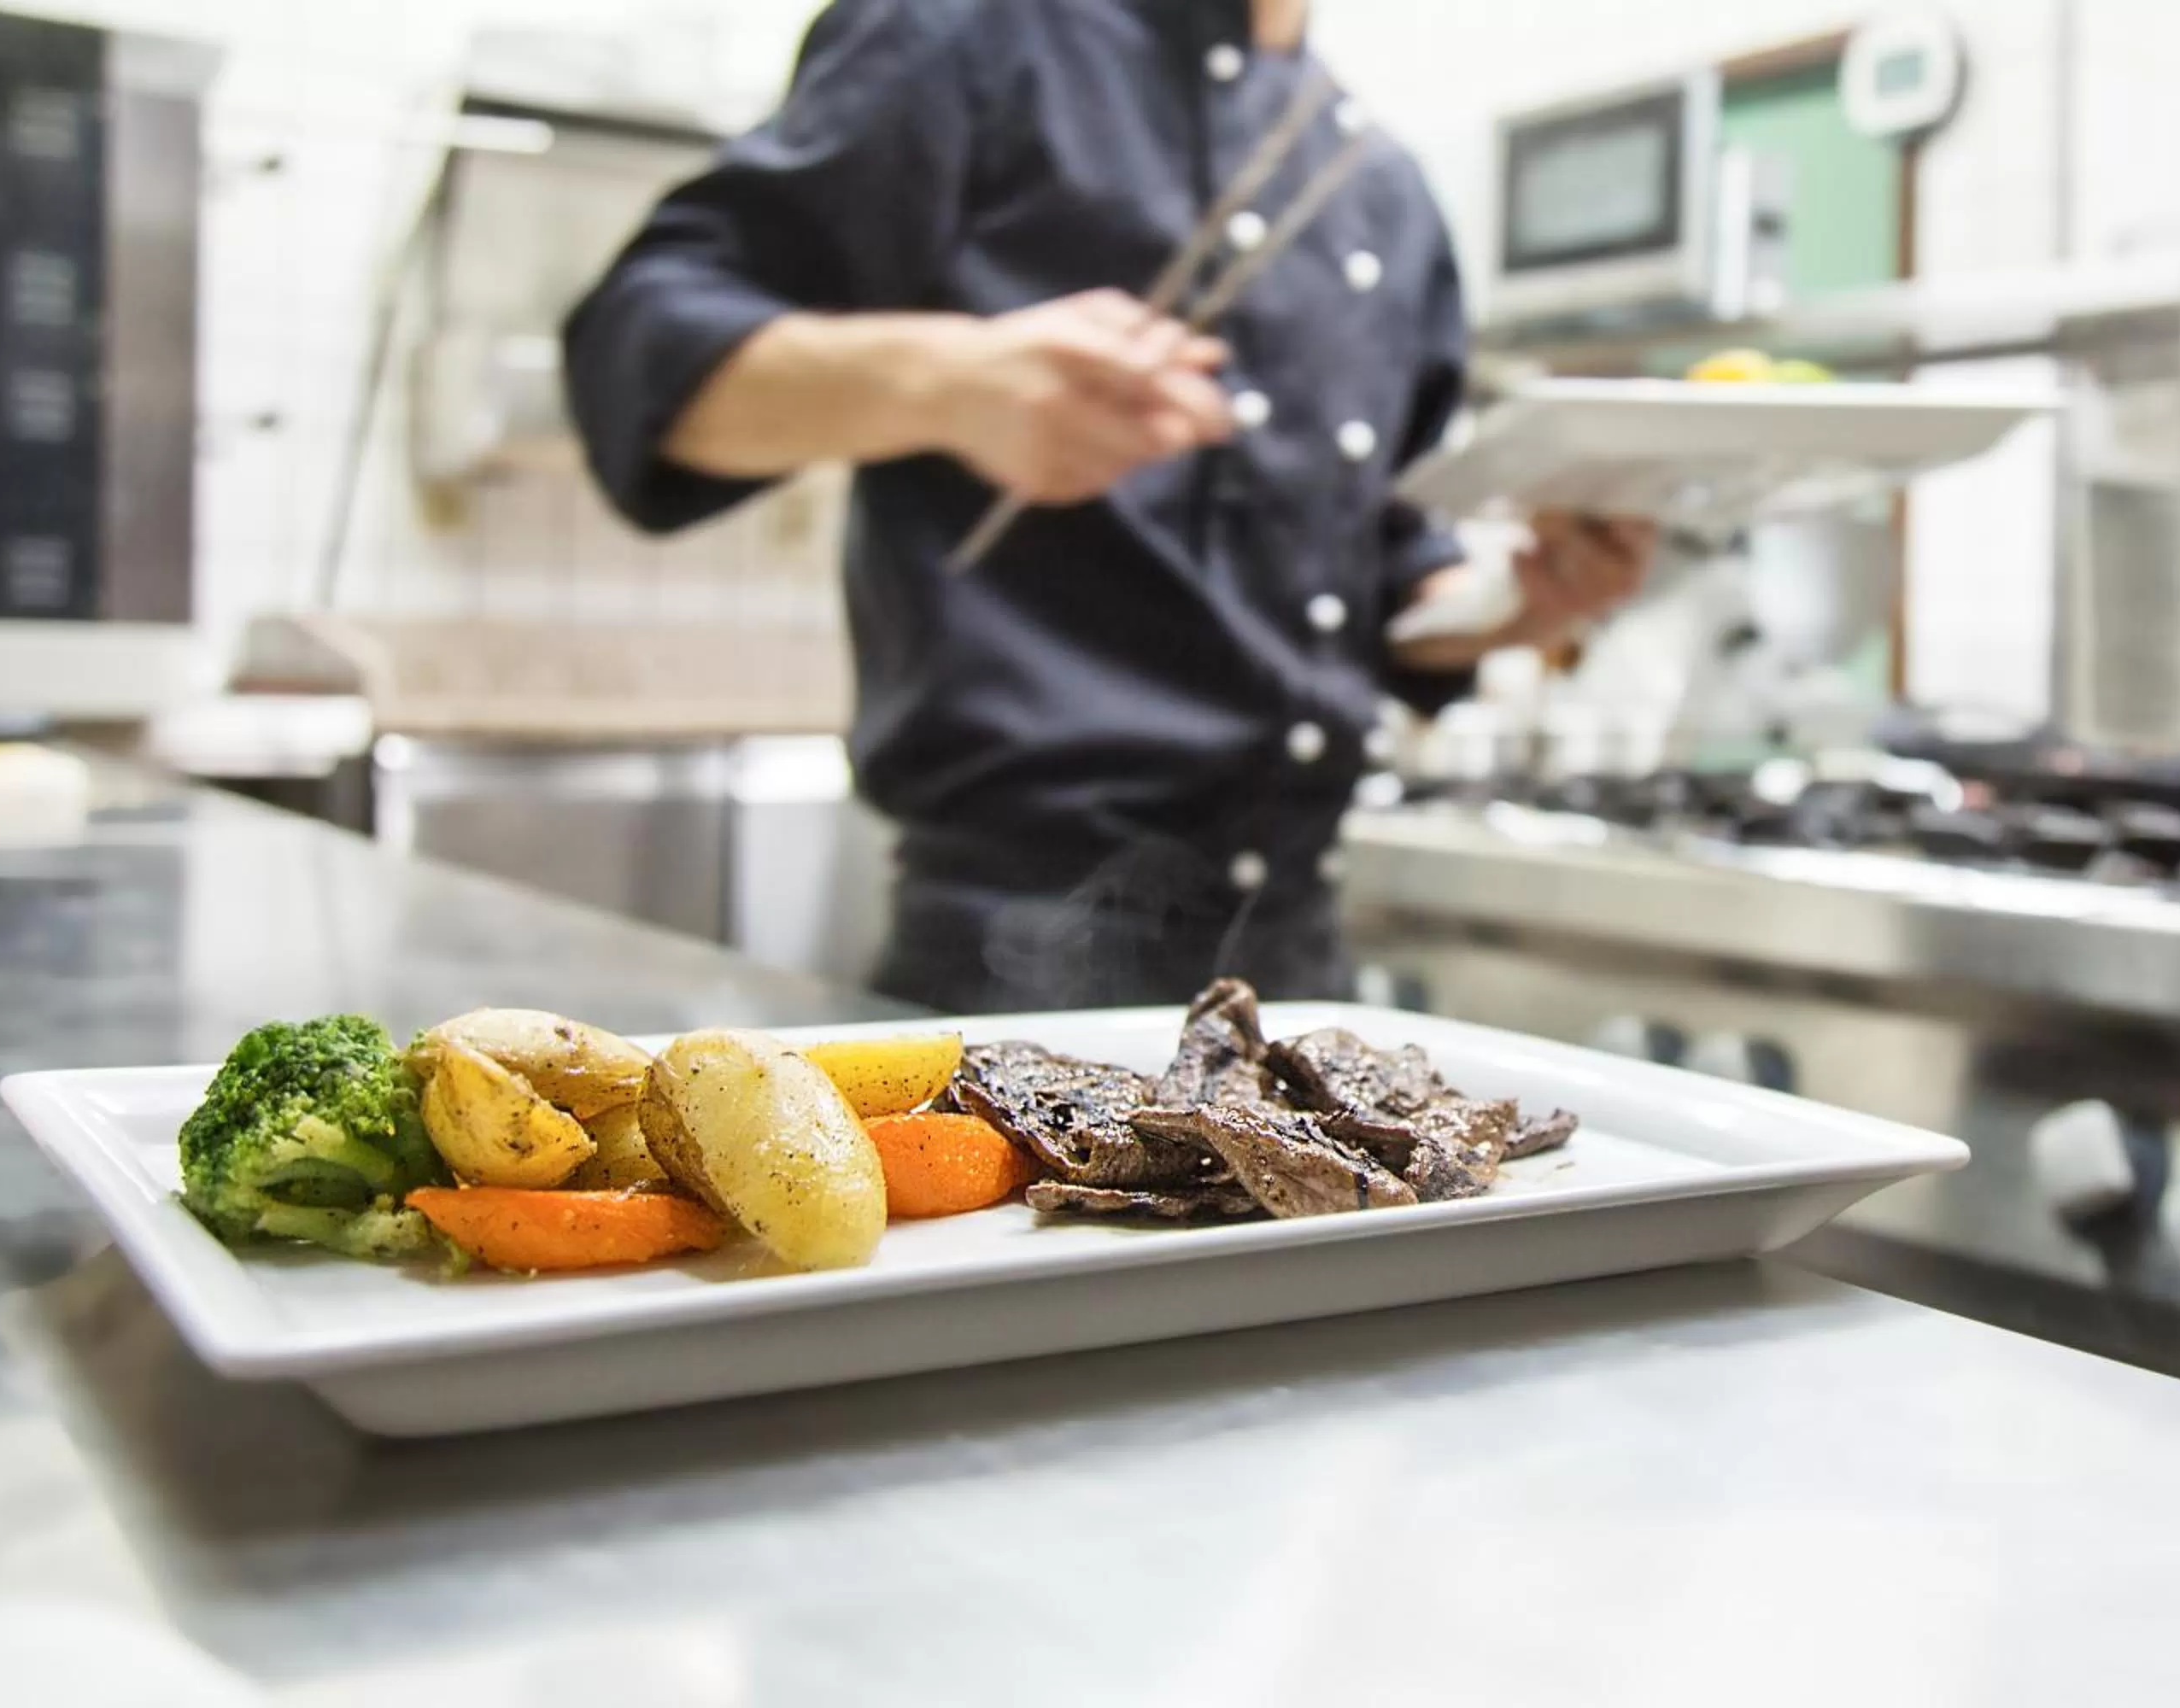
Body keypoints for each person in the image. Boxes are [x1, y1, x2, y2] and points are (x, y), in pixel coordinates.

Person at [563, 0, 1650, 1012]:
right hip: (1029, 951)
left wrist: (1524, 598)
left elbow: (1389, 575)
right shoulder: (971, 33)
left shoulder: (1379, 182)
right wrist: (951, 382)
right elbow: (638, 348)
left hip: (1303, 960)